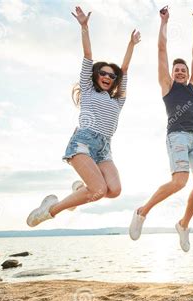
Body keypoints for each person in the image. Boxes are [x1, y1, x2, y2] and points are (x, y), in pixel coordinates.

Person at [26, 6, 140, 227]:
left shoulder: (118, 100)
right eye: (103, 73)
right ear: (96, 76)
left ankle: (79, 192)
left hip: (105, 148)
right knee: (98, 190)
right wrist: (84, 27)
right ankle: (50, 210)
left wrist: (131, 44)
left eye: (111, 75)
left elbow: (124, 69)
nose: (107, 76)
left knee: (113, 191)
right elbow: (88, 56)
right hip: (83, 143)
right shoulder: (87, 89)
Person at [129, 7, 193, 253]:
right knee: (180, 182)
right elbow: (161, 51)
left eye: (183, 69)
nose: (180, 71)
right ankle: (142, 212)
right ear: (172, 74)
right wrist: (163, 22)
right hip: (177, 135)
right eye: (177, 70)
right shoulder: (167, 86)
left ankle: (183, 224)